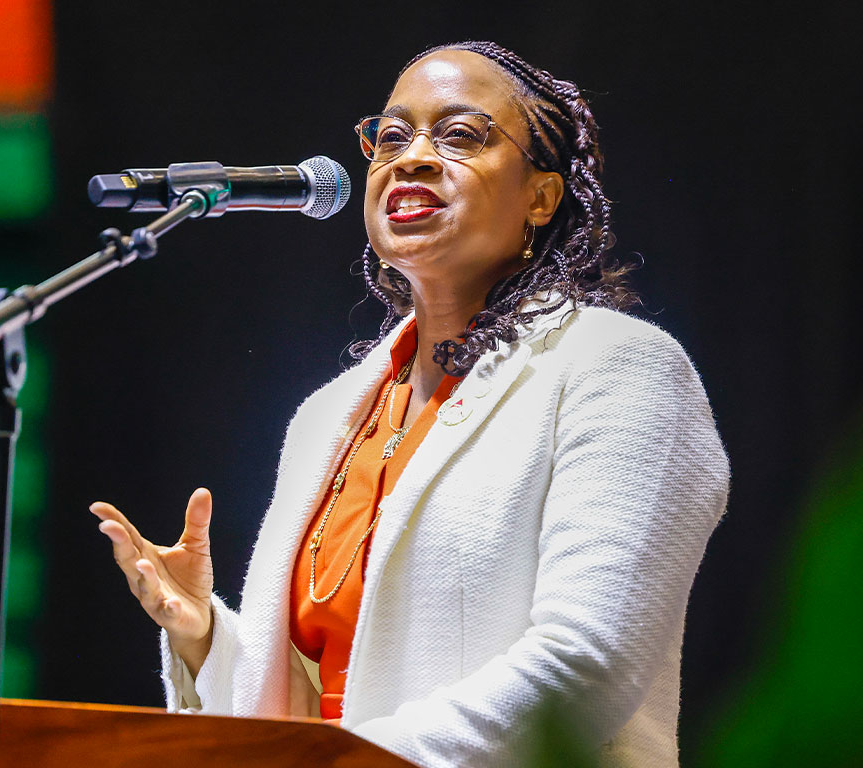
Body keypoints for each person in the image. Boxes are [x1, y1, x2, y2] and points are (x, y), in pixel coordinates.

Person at [90, 40, 730, 768]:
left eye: (459, 135)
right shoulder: (326, 416)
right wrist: (204, 636)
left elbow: (586, 669)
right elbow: (311, 705)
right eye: (391, 137)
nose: (413, 158)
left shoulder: (615, 368)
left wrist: (345, 760)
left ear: (541, 196)